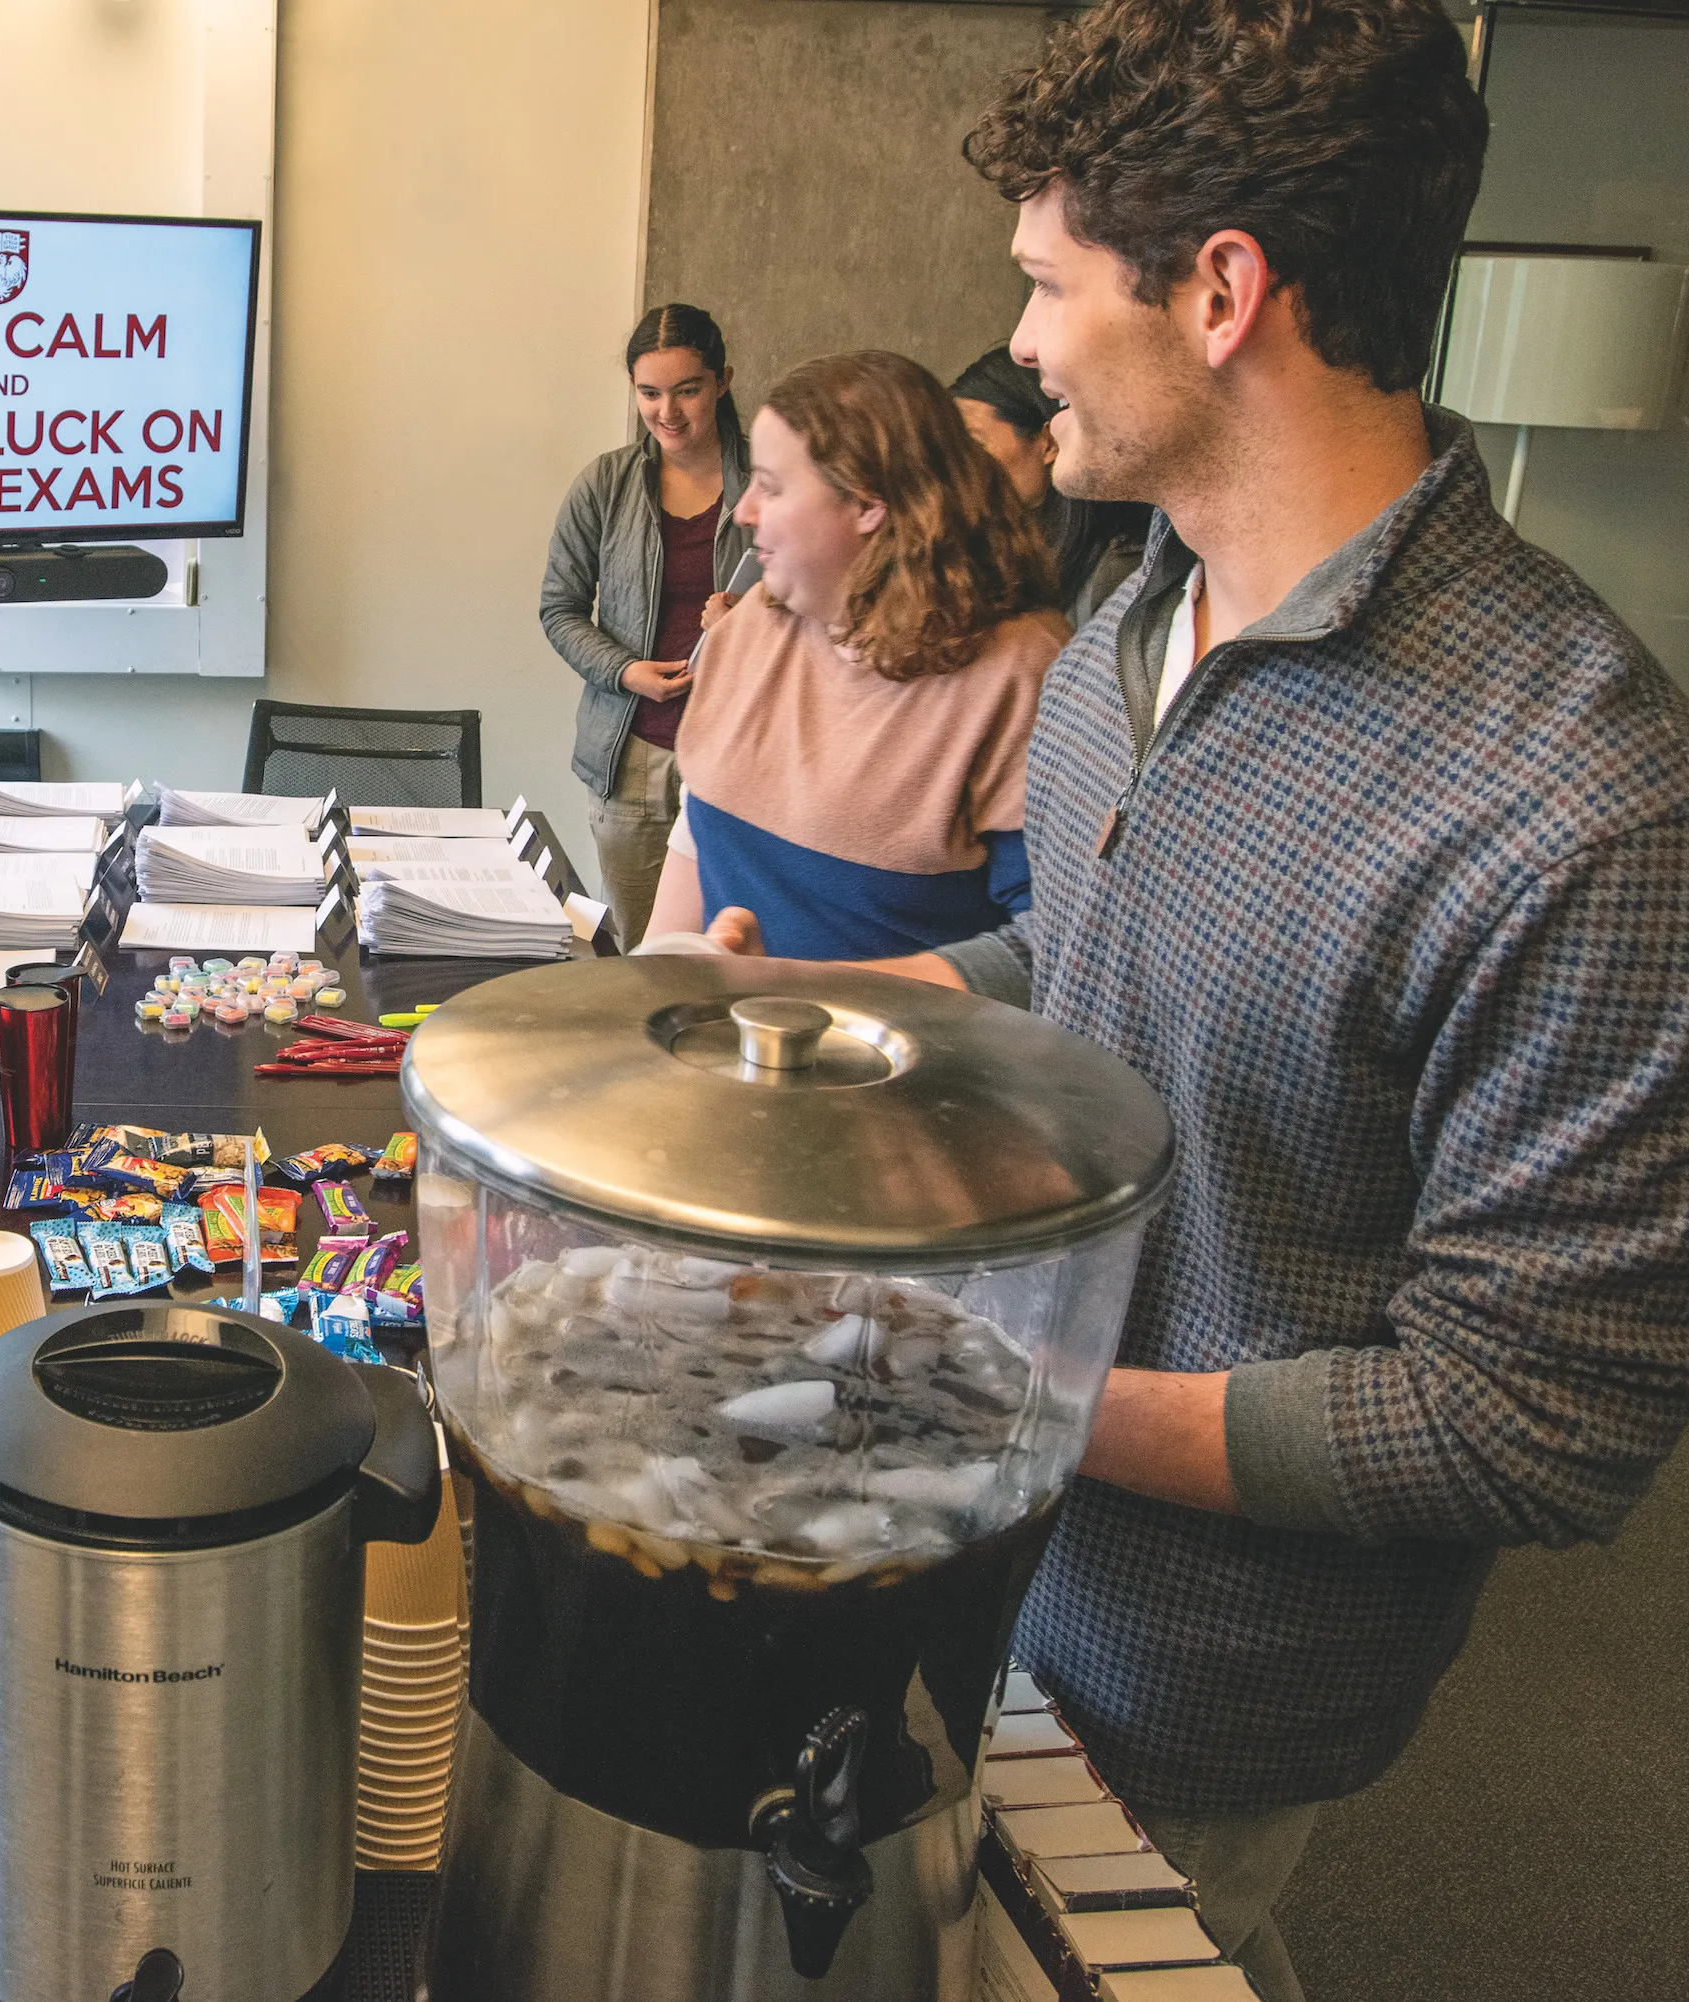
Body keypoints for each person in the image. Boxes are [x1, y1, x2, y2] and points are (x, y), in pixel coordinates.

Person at [696, 6, 1689, 1994]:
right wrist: (822, 1006)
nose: (1029, 341)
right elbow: (1095, 949)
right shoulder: (1134, 625)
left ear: (1223, 290)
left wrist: (1004, 1400)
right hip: (970, 1534)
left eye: (1051, 284)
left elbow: (1534, 1419)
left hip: (1193, 1668)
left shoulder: (1574, 795)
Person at [634, 351, 1064, 960]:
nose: (742, 511)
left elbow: (1052, 954)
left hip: (909, 1052)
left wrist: (807, 1001)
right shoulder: (750, 626)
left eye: (772, 487)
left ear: (869, 504)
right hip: (721, 1042)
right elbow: (696, 842)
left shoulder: (1021, 671)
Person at [540, 304, 756, 950]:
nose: (668, 412)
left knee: (731, 950)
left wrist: (755, 623)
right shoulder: (605, 484)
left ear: (723, 381)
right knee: (637, 954)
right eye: (649, 393)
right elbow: (560, 607)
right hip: (632, 753)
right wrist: (624, 670)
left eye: (687, 389)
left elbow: (822, 605)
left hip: (737, 752)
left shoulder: (769, 482)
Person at [950, 345, 1150, 626]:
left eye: (974, 445)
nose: (957, 466)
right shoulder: (977, 554)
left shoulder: (1118, 575)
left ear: (1049, 443)